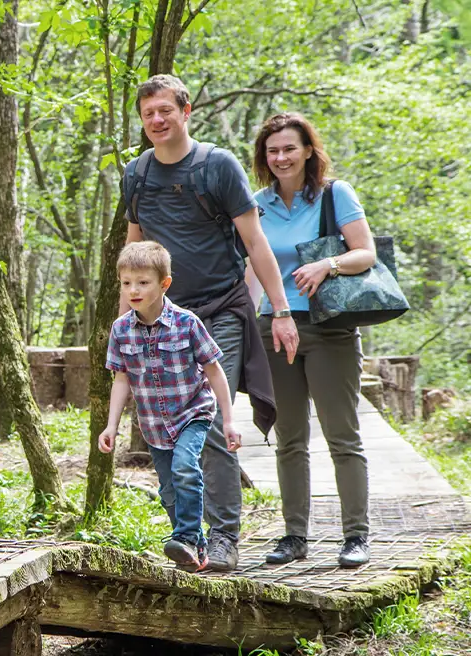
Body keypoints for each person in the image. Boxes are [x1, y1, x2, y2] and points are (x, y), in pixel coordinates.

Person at [120, 74, 296, 572]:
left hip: (220, 312)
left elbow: (256, 242)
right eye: (148, 113)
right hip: (161, 322)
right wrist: (125, 322)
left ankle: (223, 539)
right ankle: (187, 536)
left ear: (186, 110)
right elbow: (133, 254)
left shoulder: (216, 166)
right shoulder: (135, 175)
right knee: (165, 431)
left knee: (213, 422)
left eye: (165, 111)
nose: (157, 121)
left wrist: (280, 311)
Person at [250, 113, 373, 568]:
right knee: (289, 438)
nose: (281, 157)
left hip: (329, 327)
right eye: (272, 150)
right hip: (272, 328)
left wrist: (328, 265)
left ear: (307, 151)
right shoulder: (257, 203)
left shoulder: (333, 195)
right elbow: (250, 269)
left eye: (289, 148)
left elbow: (366, 253)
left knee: (343, 435)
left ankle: (355, 535)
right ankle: (294, 536)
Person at [100, 242, 243, 571]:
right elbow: (121, 379)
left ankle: (187, 536)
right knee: (168, 489)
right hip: (153, 422)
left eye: (143, 282)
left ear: (164, 283)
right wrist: (111, 426)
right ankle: (193, 549)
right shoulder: (121, 330)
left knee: (184, 468)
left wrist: (229, 420)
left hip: (193, 413)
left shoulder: (187, 323)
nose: (133, 290)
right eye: (126, 283)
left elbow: (215, 372)